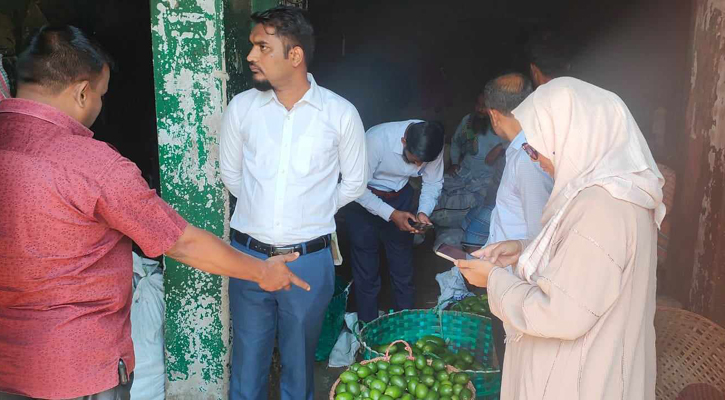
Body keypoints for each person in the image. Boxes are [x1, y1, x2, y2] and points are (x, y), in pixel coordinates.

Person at [0, 25, 307, 400]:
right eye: (100, 94)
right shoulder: (91, 165)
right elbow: (181, 243)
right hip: (75, 370)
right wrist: (263, 271)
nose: (99, 105)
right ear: (82, 91)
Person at [457, 77, 664, 399]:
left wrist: (495, 279)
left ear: (573, 138)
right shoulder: (614, 195)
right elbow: (582, 259)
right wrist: (524, 248)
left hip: (579, 380)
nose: (536, 158)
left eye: (539, 146)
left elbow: (560, 314)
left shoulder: (602, 208)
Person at [218, 6, 367, 400]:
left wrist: (311, 210)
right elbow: (231, 176)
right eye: (253, 46)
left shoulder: (339, 114)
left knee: (299, 367)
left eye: (262, 47)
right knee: (247, 363)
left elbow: (354, 183)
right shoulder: (242, 109)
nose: (251, 56)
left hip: (308, 261)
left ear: (294, 55)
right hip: (248, 257)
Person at [473, 72, 554, 365]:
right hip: (509, 280)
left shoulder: (529, 160)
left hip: (521, 287)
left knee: (515, 366)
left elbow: (542, 235)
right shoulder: (523, 150)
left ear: (494, 115)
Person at [343, 120, 444, 323]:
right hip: (364, 199)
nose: (418, 166)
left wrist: (423, 212)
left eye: (422, 163)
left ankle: (404, 324)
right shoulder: (375, 141)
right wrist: (391, 214)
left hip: (400, 197)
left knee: (402, 266)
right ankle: (367, 327)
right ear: (403, 141)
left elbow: (433, 182)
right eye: (414, 159)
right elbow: (356, 188)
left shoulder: (433, 144)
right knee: (366, 269)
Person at [430, 92, 505, 247]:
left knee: (472, 205)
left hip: (486, 181)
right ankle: (427, 220)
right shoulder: (469, 121)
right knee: (437, 191)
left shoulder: (503, 130)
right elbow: (456, 143)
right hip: (463, 172)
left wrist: (501, 147)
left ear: (494, 110)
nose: (479, 109)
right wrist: (455, 163)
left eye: (483, 107)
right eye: (477, 105)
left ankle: (437, 223)